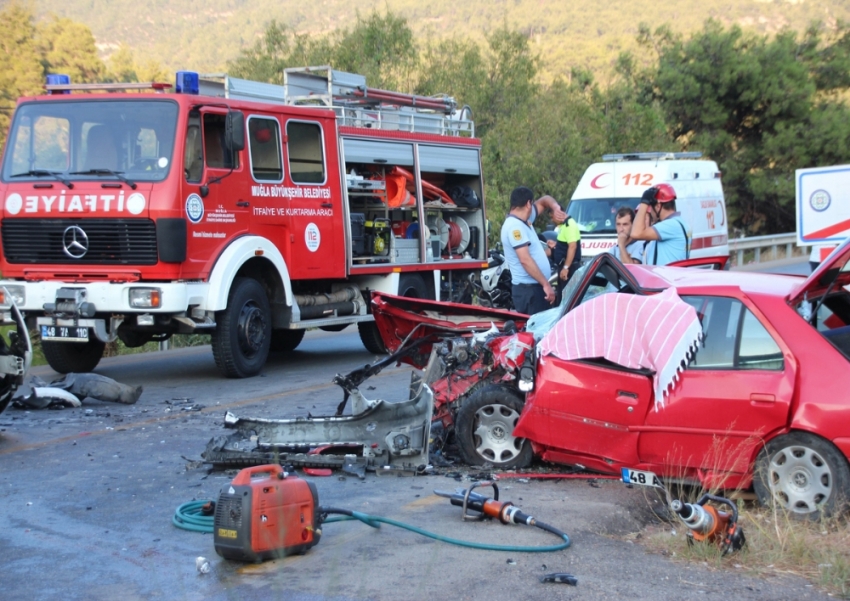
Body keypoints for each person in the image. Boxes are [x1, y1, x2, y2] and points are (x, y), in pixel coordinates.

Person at [500, 186, 566, 315]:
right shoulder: (515, 227)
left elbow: (544, 200)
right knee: (534, 332)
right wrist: (546, 285)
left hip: (535, 289)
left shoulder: (525, 219)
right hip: (529, 291)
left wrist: (555, 207)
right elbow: (525, 260)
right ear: (529, 204)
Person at [630, 184, 690, 265]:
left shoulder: (670, 225)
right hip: (672, 275)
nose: (651, 212)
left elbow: (635, 233)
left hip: (667, 276)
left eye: (651, 207)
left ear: (658, 206)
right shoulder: (679, 222)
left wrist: (644, 202)